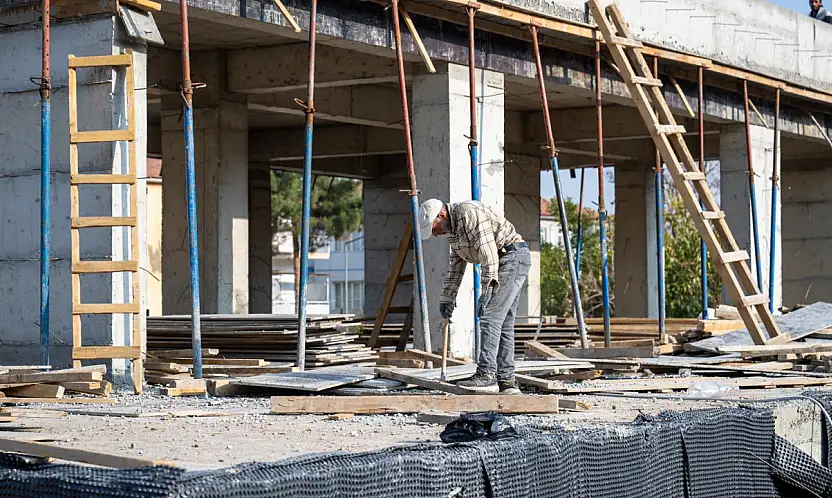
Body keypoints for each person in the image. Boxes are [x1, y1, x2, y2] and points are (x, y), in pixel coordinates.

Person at [419, 199, 531, 394]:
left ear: (442, 215)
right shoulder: (453, 232)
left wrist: (487, 292)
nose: (435, 234)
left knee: (490, 317)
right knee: (502, 323)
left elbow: (489, 256)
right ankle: (507, 382)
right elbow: (456, 267)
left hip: (510, 258)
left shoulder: (467, 213)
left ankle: (487, 375)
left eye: (434, 228)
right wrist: (447, 298)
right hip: (506, 260)